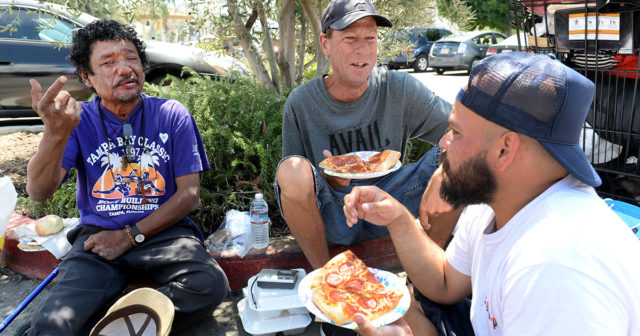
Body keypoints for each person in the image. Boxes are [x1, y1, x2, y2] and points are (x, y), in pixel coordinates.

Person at [344, 52, 640, 335]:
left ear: (504, 149)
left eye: (456, 133)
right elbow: (446, 283)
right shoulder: (498, 201)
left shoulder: (556, 267)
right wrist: (399, 219)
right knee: (405, 306)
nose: (444, 144)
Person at [25, 19, 230, 335]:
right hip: (98, 235)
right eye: (108, 62)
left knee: (210, 283)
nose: (124, 69)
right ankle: (130, 325)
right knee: (52, 324)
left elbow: (189, 195)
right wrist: (54, 133)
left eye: (131, 58)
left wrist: (129, 235)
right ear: (87, 77)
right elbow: (38, 191)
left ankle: (116, 327)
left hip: (163, 232)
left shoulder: (171, 114)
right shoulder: (76, 120)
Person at [274, 0, 458, 271]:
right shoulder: (301, 102)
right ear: (325, 44)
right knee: (291, 170)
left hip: (394, 200)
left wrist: (443, 173)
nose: (362, 49)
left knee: (458, 153)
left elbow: (465, 129)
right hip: (335, 213)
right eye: (350, 38)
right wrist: (328, 179)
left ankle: (431, 275)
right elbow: (295, 187)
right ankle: (326, 279)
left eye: (370, 38)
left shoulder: (398, 88)